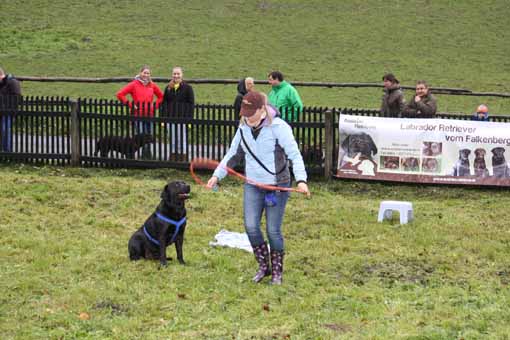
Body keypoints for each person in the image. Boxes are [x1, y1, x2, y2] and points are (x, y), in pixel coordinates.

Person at [206, 91, 310, 285]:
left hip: (277, 186)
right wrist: (216, 175)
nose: (247, 118)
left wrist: (301, 180)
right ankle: (264, 266)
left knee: (273, 230)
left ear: (263, 110)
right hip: (253, 184)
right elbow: (233, 154)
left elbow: (295, 155)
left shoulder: (279, 128)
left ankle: (278, 272)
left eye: (251, 114)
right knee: (251, 227)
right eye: (244, 114)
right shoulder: (243, 127)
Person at [116, 65, 163, 159]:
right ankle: (143, 157)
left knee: (149, 137)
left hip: (150, 116)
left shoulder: (152, 85)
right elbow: (120, 94)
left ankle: (148, 156)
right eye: (144, 73)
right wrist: (130, 105)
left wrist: (155, 106)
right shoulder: (134, 84)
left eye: (148, 73)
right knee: (142, 137)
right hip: (138, 116)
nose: (146, 75)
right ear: (140, 73)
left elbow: (161, 96)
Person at [161, 67, 195, 160]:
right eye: (174, 74)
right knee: (172, 140)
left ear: (182, 75)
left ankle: (183, 158)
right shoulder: (168, 88)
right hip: (170, 118)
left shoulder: (188, 88)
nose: (176, 76)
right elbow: (164, 103)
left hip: (182, 118)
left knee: (181, 140)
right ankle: (173, 157)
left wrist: (189, 120)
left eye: (178, 74)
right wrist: (163, 119)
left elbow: (191, 104)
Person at [0, 67, 21, 152]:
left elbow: (17, 97)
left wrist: (6, 107)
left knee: (5, 131)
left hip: (7, 112)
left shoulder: (12, 82)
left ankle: (7, 152)